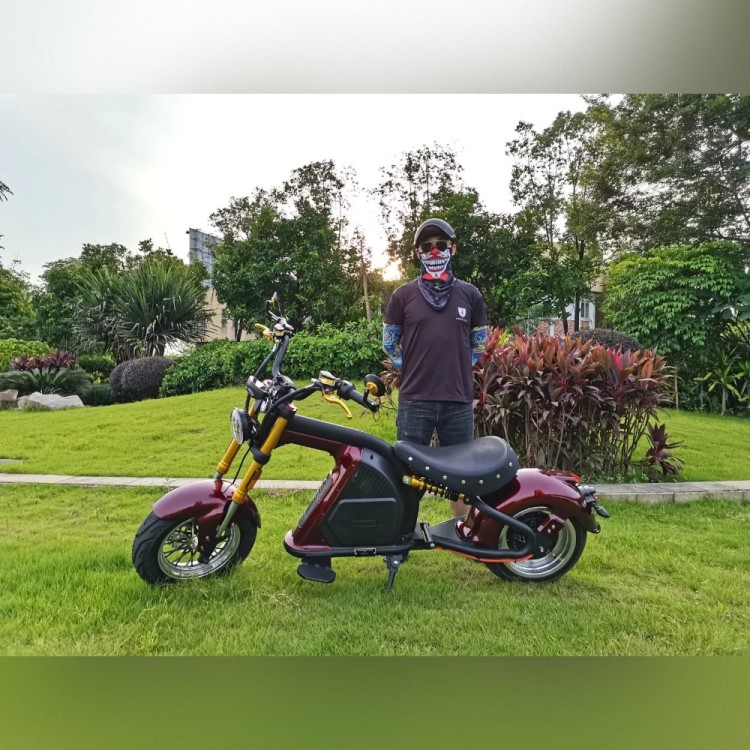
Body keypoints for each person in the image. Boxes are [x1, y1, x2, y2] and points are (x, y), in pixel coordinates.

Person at [383, 218, 487, 519]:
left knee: (462, 478)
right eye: (426, 246)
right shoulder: (402, 296)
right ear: (417, 253)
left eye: (441, 244)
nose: (434, 251)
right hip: (415, 401)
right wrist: (411, 368)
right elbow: (389, 343)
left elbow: (479, 343)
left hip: (458, 401)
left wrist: (459, 368)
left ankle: (464, 532)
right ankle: (401, 535)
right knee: (407, 476)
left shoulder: (471, 295)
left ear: (453, 249)